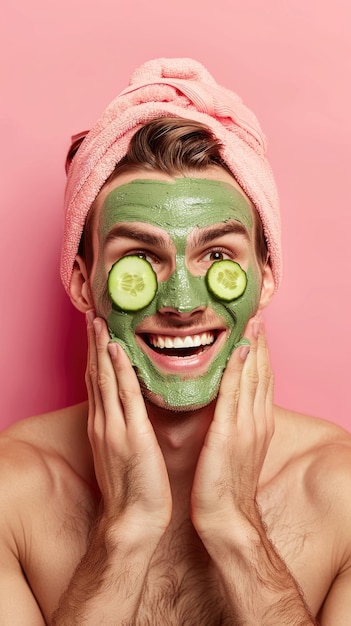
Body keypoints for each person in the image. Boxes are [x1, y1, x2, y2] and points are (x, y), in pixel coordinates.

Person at [0, 57, 350, 626]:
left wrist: (237, 529)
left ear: (265, 277)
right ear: (84, 281)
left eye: (217, 256)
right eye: (139, 258)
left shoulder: (341, 491)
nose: (182, 303)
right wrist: (125, 531)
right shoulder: (10, 494)